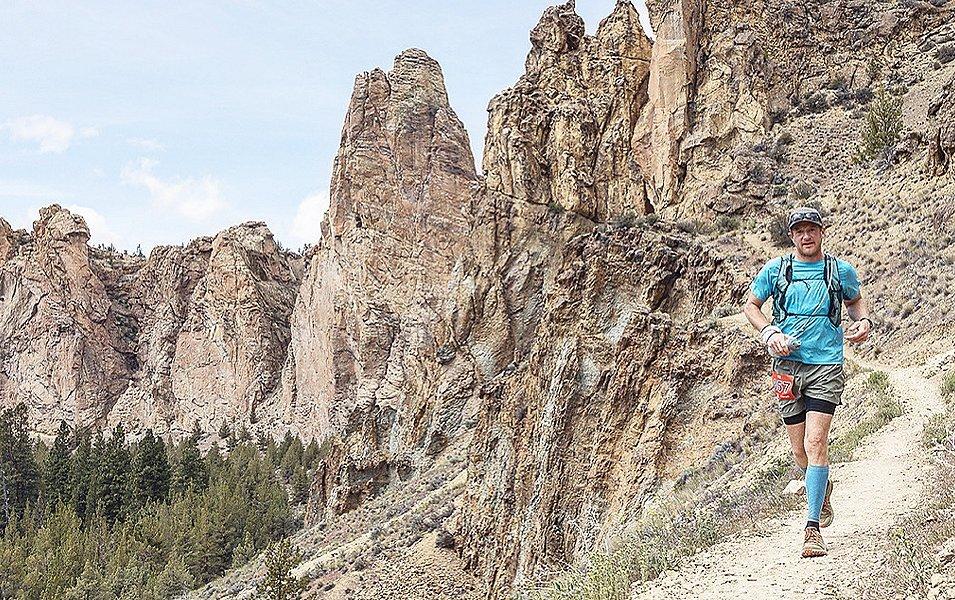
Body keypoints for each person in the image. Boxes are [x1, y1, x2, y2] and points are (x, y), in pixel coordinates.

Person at [742, 206, 872, 558]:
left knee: (816, 442)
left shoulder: (839, 270)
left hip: (826, 365)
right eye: (799, 230)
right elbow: (751, 306)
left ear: (821, 231)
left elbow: (855, 302)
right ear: (791, 236)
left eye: (811, 229)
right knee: (799, 450)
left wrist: (862, 323)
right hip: (786, 367)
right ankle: (821, 488)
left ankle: (811, 529)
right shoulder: (777, 269)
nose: (806, 236)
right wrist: (769, 332)